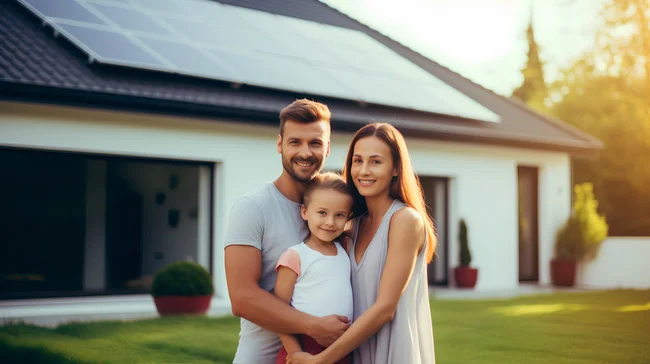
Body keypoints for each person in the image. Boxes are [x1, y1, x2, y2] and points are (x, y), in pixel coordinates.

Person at [287, 122, 437, 364]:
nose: (364, 171)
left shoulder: (405, 220)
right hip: (353, 353)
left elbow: (385, 308)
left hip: (394, 353)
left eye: (375, 162)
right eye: (357, 161)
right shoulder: (350, 225)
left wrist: (321, 360)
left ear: (396, 168)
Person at [224, 99, 351, 364]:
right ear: (280, 144)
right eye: (295, 142)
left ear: (327, 148)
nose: (305, 152)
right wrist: (312, 326)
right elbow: (242, 298)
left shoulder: (337, 213)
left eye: (315, 143)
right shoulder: (252, 208)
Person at [274, 172, 354, 364]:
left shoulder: (345, 250)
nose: (330, 222)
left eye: (339, 215)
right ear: (304, 212)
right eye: (322, 213)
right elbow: (279, 311)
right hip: (304, 348)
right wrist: (294, 353)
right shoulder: (295, 256)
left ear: (348, 218)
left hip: (341, 349)